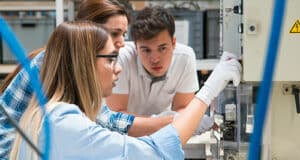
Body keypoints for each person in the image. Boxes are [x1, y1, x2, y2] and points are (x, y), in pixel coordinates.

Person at [10, 20, 241, 160]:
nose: (118, 69)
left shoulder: (44, 115)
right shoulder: (63, 123)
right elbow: (155, 152)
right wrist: (210, 89)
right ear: (84, 63)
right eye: (111, 59)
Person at [0, 0, 172, 158]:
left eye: (123, 34)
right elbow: (107, 124)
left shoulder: (76, 69)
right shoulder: (52, 64)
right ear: (86, 31)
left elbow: (105, 119)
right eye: (114, 33)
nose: (121, 42)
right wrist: (172, 123)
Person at [106, 6, 215, 136]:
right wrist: (164, 122)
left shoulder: (185, 57)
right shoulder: (122, 58)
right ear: (135, 46)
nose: (155, 59)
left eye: (162, 48)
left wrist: (165, 123)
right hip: (123, 136)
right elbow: (117, 117)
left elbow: (182, 109)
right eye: (146, 50)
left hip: (161, 135)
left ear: (173, 43)